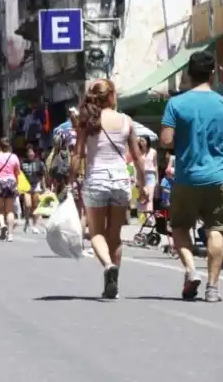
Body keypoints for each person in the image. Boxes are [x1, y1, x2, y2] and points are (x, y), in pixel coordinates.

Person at [160, 51, 223, 303]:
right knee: (217, 230)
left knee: (180, 226)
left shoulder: (176, 104)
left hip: (186, 178)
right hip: (218, 177)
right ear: (212, 74)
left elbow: (166, 140)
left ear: (188, 74)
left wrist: (184, 142)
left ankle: (191, 270)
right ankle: (213, 288)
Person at [70, 79, 146, 299]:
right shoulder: (126, 120)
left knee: (95, 234)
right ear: (111, 95)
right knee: (115, 236)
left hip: (97, 180)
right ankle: (114, 285)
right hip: (121, 181)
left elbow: (77, 153)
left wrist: (70, 178)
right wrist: (144, 184)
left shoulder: (88, 121)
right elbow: (138, 157)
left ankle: (107, 266)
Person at [21, 144, 46, 233]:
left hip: (36, 186)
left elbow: (43, 176)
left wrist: (44, 188)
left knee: (36, 206)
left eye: (32, 152)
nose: (30, 154)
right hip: (26, 186)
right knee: (28, 205)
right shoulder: (22, 163)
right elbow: (19, 175)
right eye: (29, 152)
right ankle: (27, 221)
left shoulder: (39, 163)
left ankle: (34, 225)